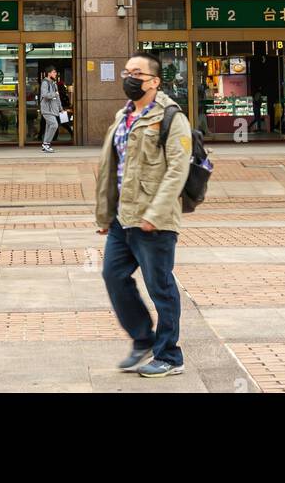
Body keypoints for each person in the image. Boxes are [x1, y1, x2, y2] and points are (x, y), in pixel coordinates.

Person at [95, 52, 191, 379]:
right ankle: (143, 338)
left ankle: (170, 355)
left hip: (155, 221)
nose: (129, 77)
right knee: (113, 276)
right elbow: (112, 169)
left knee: (160, 287)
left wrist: (156, 213)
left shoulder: (171, 117)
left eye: (136, 72)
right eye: (126, 71)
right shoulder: (123, 115)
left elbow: (178, 170)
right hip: (124, 220)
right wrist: (106, 215)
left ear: (154, 81)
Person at [39, 65, 63, 152]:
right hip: (47, 109)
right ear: (49, 73)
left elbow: (57, 97)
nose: (55, 74)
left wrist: (61, 108)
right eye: (54, 72)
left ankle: (45, 145)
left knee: (49, 127)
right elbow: (45, 95)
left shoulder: (54, 83)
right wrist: (55, 94)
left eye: (55, 72)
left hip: (53, 109)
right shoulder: (45, 83)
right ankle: (46, 144)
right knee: (54, 125)